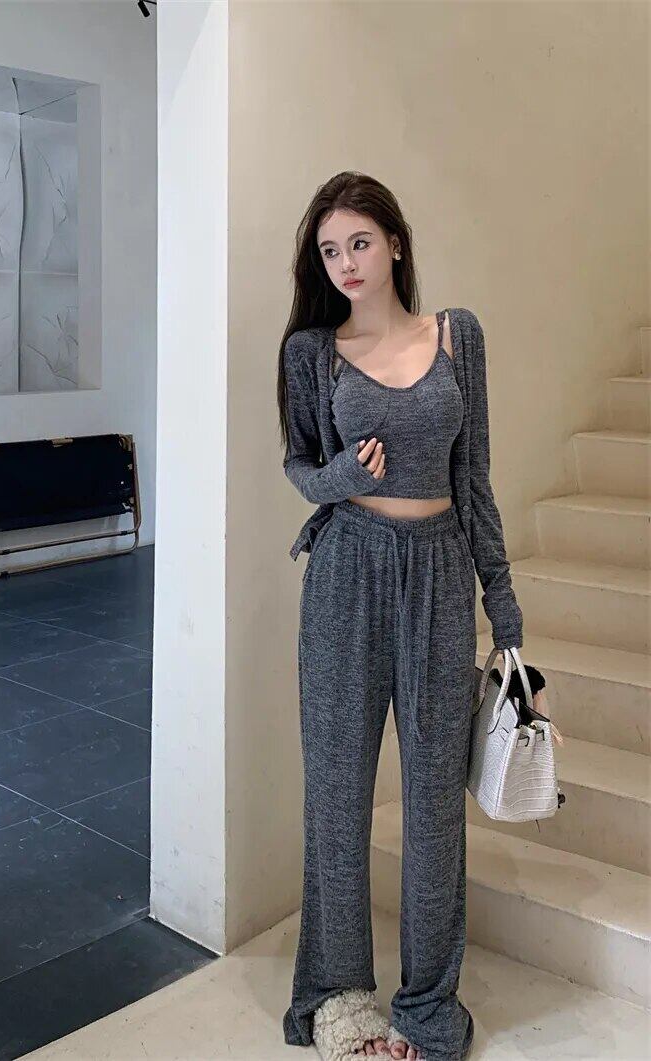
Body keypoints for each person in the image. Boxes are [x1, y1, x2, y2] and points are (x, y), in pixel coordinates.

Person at [276, 171, 524, 1061]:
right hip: (346, 572)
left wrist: (504, 609)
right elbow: (301, 466)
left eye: (359, 243)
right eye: (330, 250)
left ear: (395, 244)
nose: (345, 262)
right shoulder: (312, 352)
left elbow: (474, 477)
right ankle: (340, 996)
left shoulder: (458, 336)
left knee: (433, 805)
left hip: (441, 573)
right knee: (338, 794)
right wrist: (343, 477)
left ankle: (426, 1007)